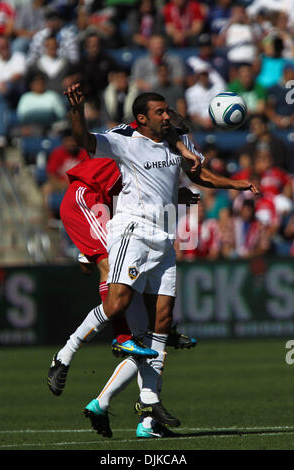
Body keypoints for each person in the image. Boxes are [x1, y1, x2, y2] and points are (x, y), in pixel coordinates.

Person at [55, 83, 259, 432]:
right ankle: (67, 355)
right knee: (120, 306)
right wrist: (76, 109)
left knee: (161, 322)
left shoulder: (175, 140)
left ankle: (148, 408)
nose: (168, 116)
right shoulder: (124, 140)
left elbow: (198, 173)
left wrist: (233, 183)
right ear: (141, 119)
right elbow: (83, 140)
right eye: (161, 112)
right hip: (130, 230)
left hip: (164, 237)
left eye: (169, 111)